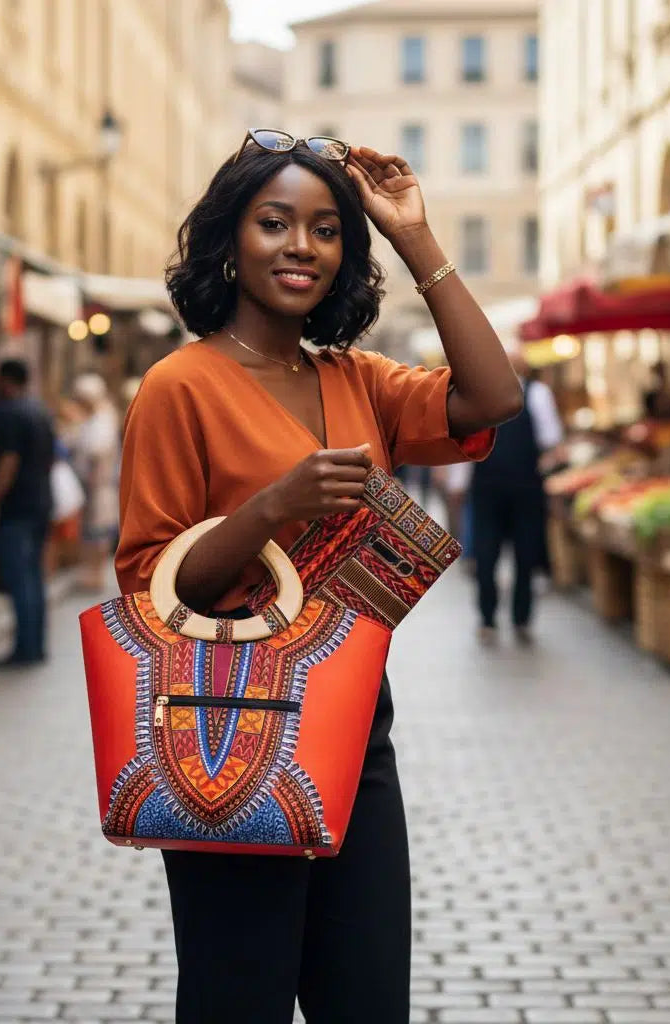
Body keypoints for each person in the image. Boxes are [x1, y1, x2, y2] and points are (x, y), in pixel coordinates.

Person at [113, 129, 521, 1023]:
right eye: (274, 223)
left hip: (356, 731)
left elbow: (494, 399)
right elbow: (150, 590)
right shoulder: (178, 387)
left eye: (327, 230)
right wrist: (271, 509)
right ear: (229, 242)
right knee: (238, 1001)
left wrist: (415, 237)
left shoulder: (358, 379)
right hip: (229, 731)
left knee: (368, 999)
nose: (302, 245)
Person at [468, 348, 564, 645]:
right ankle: (497, 618)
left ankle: (504, 619)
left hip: (513, 488)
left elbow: (550, 439)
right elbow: (550, 440)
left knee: (516, 554)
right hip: (503, 487)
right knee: (496, 555)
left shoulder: (488, 395)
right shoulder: (536, 394)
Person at [0, 359, 55, 669]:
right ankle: (35, 644)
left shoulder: (10, 413)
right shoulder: (40, 411)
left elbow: (8, 461)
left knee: (21, 579)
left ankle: (25, 648)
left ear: (5, 380)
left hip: (18, 507)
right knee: (33, 577)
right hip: (41, 502)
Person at [72, 372, 120, 591]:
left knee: (97, 531)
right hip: (92, 484)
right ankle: (90, 573)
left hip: (98, 485)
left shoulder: (102, 420)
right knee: (92, 530)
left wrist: (92, 483)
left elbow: (98, 455)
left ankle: (96, 574)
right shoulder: (94, 418)